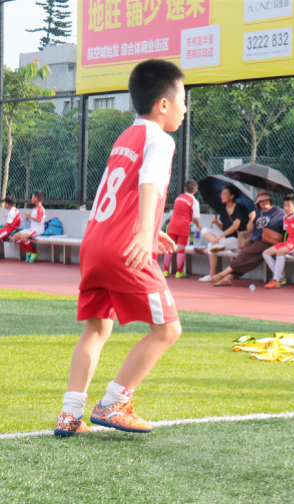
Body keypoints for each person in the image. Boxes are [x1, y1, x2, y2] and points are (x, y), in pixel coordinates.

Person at [53, 59, 186, 437]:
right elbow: (148, 183)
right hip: (124, 246)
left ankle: (69, 414)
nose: (185, 108)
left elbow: (110, 194)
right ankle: (114, 403)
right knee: (168, 330)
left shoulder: (126, 137)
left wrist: (148, 228)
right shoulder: (161, 139)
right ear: (163, 104)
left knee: (96, 328)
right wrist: (145, 233)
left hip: (95, 242)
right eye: (182, 99)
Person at [210, 189, 285, 287]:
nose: (264, 202)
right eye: (261, 201)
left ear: (270, 200)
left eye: (266, 200)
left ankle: (222, 274)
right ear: (258, 203)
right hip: (254, 240)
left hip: (267, 241)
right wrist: (251, 219)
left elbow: (288, 220)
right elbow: (249, 230)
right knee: (248, 261)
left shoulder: (278, 211)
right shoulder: (257, 213)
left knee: (243, 256)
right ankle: (227, 278)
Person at [198, 186, 249, 283]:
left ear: (231, 196)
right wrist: (216, 223)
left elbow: (235, 226)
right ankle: (216, 244)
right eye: (221, 193)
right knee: (204, 229)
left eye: (225, 194)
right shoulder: (223, 209)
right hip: (227, 238)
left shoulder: (239, 208)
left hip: (237, 239)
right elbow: (224, 228)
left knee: (210, 245)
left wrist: (220, 236)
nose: (222, 196)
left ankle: (211, 275)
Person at [262, 194, 294, 289]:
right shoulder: (285, 217)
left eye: (288, 205)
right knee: (265, 253)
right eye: (284, 205)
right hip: (288, 242)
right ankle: (281, 277)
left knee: (280, 252)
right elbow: (288, 233)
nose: (285, 208)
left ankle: (276, 280)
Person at [163, 179, 200, 278]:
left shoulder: (178, 198)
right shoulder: (194, 201)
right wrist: (199, 225)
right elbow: (195, 218)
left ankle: (165, 271)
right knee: (181, 249)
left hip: (172, 225)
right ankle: (179, 272)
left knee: (169, 247)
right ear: (195, 191)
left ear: (184, 189)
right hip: (184, 226)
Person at [13, 190, 46, 263]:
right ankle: (28, 251)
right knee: (15, 236)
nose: (31, 198)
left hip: (38, 229)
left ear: (36, 199)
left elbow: (39, 220)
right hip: (32, 229)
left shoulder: (40, 209)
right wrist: (28, 218)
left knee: (23, 237)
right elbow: (34, 219)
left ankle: (34, 253)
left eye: (32, 197)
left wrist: (29, 217)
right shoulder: (35, 208)